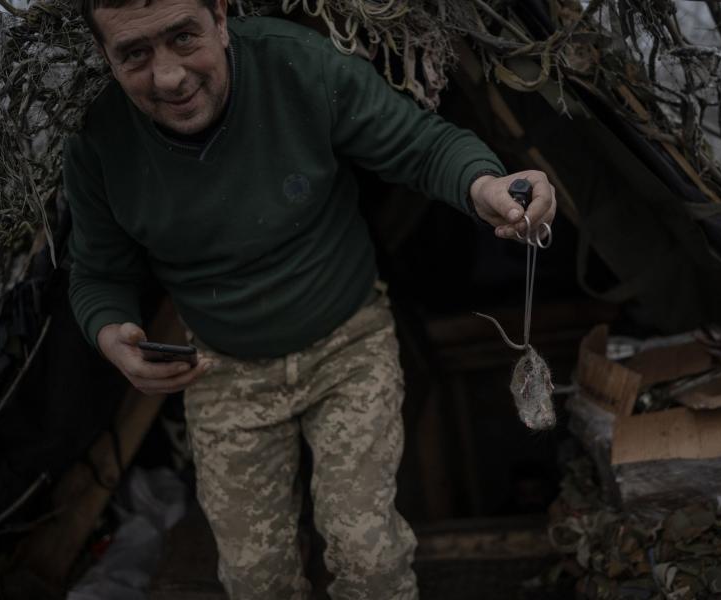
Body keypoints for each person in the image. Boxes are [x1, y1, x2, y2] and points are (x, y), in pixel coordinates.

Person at [67, 0, 557, 598]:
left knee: (369, 561)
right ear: (106, 57)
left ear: (221, 18)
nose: (168, 76)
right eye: (135, 54)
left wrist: (486, 184)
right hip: (221, 366)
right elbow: (97, 272)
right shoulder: (100, 141)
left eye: (184, 37)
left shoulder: (297, 67)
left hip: (346, 344)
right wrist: (110, 332)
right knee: (254, 580)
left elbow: (419, 146)